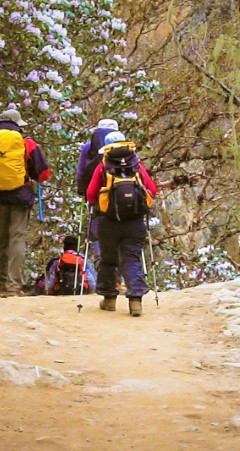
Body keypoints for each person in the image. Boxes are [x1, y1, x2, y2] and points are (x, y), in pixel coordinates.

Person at [0, 109, 50, 297]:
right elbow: (43, 174)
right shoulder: (27, 143)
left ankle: (1, 285)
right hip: (20, 196)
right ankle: (14, 286)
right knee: (17, 238)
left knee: (2, 239)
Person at [86, 132, 158, 316]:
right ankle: (135, 301)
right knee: (131, 258)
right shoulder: (136, 166)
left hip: (108, 222)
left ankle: (109, 299)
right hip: (135, 222)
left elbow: (91, 194)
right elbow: (152, 189)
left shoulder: (103, 167)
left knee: (108, 259)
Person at [76, 119, 119, 265]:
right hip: (121, 197)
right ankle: (119, 268)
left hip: (96, 196)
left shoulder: (88, 148)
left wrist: (82, 190)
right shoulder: (125, 149)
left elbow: (81, 172)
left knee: (96, 231)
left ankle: (101, 263)